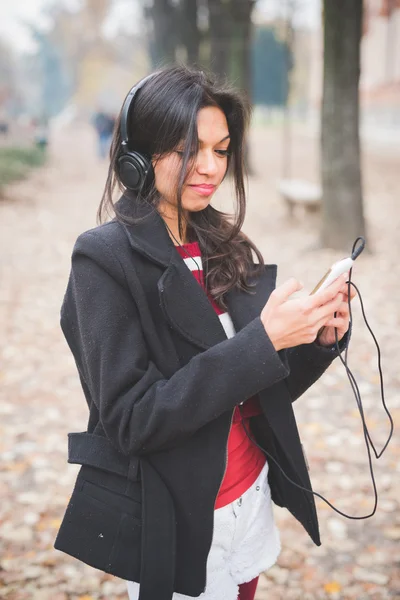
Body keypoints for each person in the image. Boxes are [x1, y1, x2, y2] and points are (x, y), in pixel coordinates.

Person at [54, 66, 354, 600]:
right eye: (190, 149)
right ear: (138, 156)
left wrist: (316, 339)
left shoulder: (223, 243)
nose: (210, 168)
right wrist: (261, 341)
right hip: (178, 513)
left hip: (250, 494)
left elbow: (255, 387)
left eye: (222, 149)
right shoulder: (102, 260)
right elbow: (132, 420)